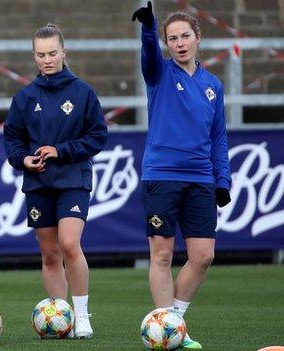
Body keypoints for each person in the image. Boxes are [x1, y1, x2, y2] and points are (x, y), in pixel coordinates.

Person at [132, 2, 232, 349]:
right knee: (161, 256)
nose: (179, 43)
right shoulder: (158, 73)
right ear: (167, 44)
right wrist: (149, 27)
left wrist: (223, 180)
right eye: (171, 38)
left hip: (202, 178)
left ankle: (171, 324)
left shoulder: (213, 85)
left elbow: (218, 137)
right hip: (161, 176)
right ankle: (172, 334)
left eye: (184, 36)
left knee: (203, 256)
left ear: (197, 38)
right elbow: (148, 53)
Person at [3, 23, 108, 339]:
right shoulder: (25, 97)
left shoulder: (82, 92)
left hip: (73, 178)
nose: (47, 59)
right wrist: (23, 159)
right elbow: (12, 139)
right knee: (49, 254)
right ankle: (60, 317)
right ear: (33, 56)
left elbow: (98, 136)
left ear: (64, 52)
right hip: (38, 182)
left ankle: (82, 315)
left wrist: (61, 151)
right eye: (40, 54)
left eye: (52, 53)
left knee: (69, 244)